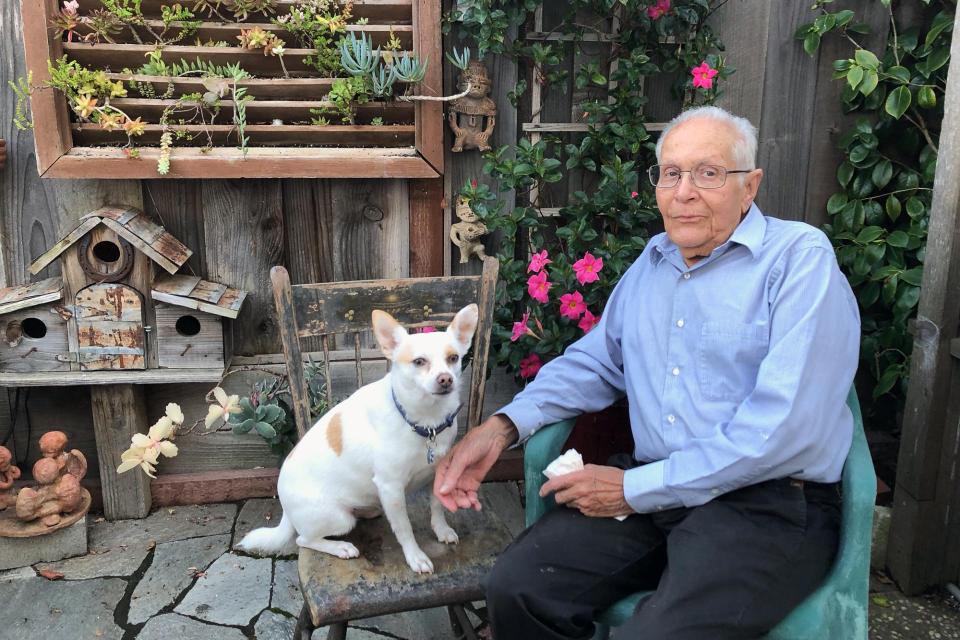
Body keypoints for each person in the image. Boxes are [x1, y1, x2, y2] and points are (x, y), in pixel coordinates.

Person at [433, 105, 861, 639]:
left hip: (764, 504)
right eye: (671, 174)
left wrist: (635, 489)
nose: (684, 192)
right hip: (655, 493)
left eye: (708, 173)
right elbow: (596, 362)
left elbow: (783, 429)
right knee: (519, 588)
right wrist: (501, 428)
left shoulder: (798, 261)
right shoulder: (653, 262)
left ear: (750, 186)